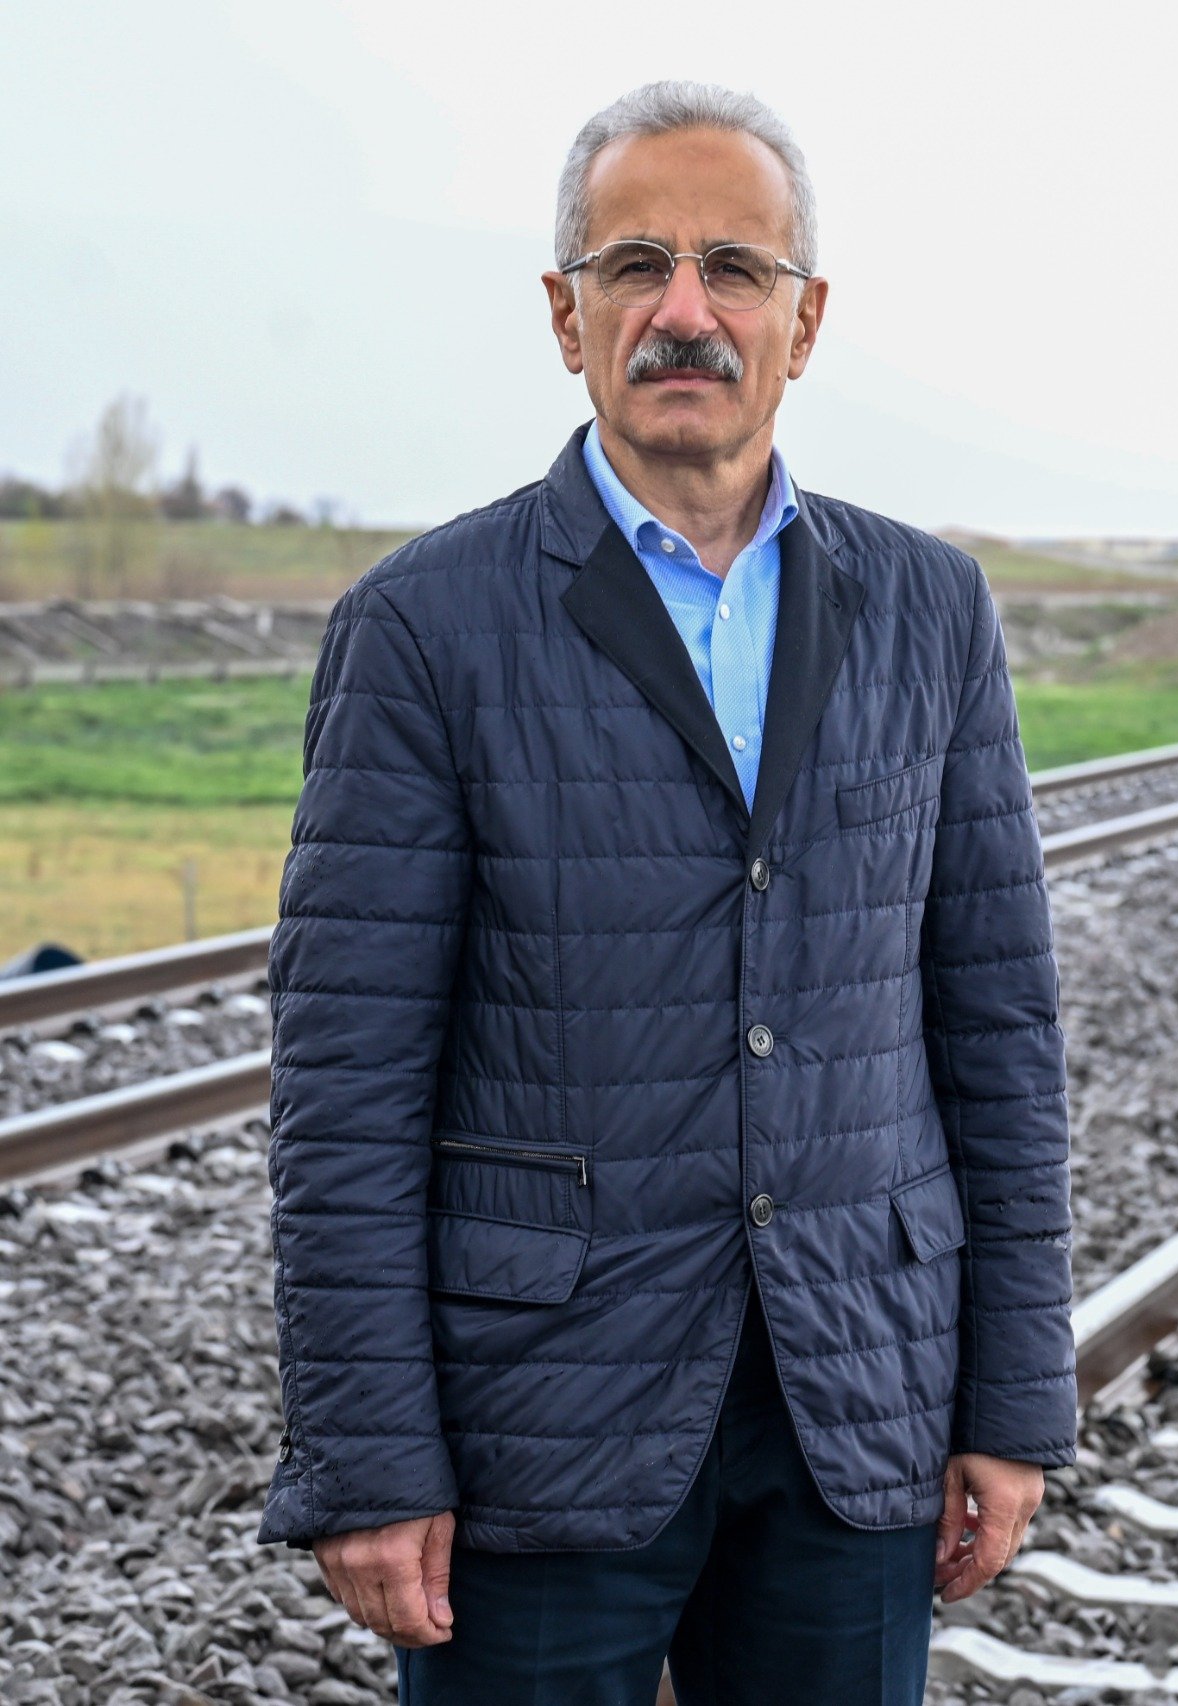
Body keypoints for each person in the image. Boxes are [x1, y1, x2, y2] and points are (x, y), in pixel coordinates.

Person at [257, 80, 1075, 1705]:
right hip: (539, 1411)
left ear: (806, 317)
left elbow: (999, 1028)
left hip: (855, 1392)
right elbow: (344, 1083)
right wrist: (366, 1455)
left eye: (733, 268)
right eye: (634, 265)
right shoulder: (424, 628)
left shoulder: (931, 609)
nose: (682, 311)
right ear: (567, 319)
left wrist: (1013, 1397)